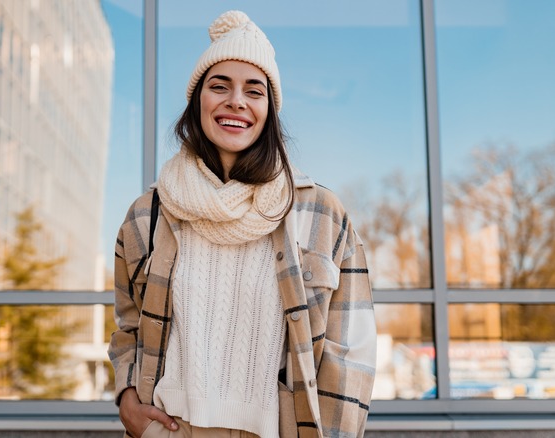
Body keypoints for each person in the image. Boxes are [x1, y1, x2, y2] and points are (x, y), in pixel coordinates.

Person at [109, 10, 376, 438]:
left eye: (255, 91)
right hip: (172, 429)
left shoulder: (319, 213)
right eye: (220, 86)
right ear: (198, 101)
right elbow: (127, 326)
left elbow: (351, 352)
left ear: (269, 111)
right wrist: (126, 398)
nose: (237, 101)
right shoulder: (148, 213)